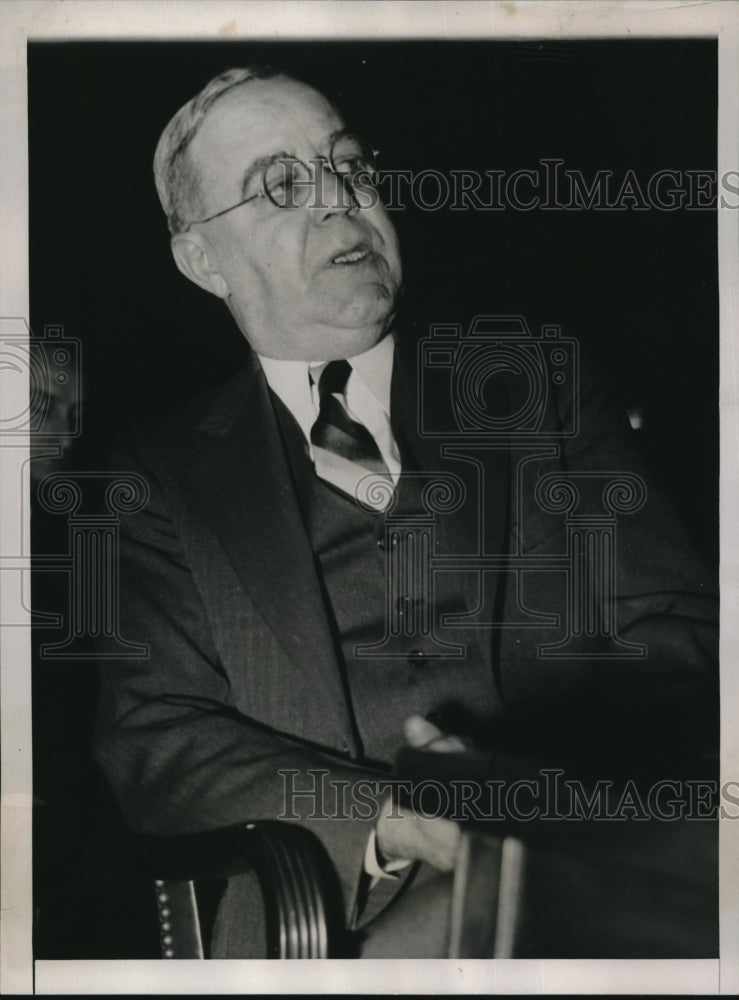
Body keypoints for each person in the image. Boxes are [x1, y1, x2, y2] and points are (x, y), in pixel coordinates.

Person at [93, 66, 718, 958]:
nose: (336, 201)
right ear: (202, 260)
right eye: (279, 186)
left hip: (575, 865)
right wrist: (390, 818)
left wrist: (539, 784)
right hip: (330, 922)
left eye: (349, 165)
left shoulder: (534, 385)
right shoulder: (156, 477)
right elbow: (154, 740)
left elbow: (673, 628)